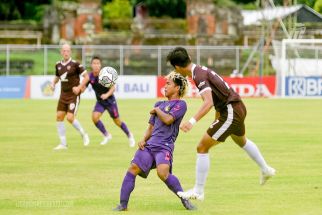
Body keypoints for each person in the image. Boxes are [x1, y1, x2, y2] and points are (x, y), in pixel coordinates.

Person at [166, 47, 276, 201]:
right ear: (189, 57)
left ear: (177, 67)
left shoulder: (198, 75)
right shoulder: (200, 70)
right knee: (241, 141)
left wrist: (191, 121)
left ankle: (198, 191)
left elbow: (209, 102)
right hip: (236, 108)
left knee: (202, 147)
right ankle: (266, 170)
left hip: (231, 111)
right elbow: (218, 100)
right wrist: (216, 121)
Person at [113, 71, 196, 211]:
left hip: (165, 146)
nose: (165, 86)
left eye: (168, 84)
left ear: (177, 88)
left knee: (163, 172)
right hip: (150, 145)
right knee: (133, 168)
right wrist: (143, 139)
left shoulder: (181, 104)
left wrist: (157, 110)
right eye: (165, 83)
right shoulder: (159, 103)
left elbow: (169, 120)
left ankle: (185, 200)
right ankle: (122, 205)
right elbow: (151, 127)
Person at [85, 56, 135, 147]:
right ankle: (107, 135)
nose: (96, 65)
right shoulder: (90, 76)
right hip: (100, 102)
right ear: (91, 65)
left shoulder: (105, 74)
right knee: (94, 117)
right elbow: (83, 86)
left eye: (97, 63)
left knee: (117, 121)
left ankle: (129, 135)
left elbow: (113, 88)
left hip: (110, 102)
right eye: (94, 63)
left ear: (100, 65)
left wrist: (106, 95)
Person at [51, 43, 90, 150]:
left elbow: (86, 77)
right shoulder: (58, 65)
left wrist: (79, 87)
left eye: (67, 51)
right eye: (64, 51)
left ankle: (84, 134)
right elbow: (57, 76)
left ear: (70, 52)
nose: (66, 53)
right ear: (61, 52)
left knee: (70, 118)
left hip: (73, 96)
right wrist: (53, 84)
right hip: (63, 96)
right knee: (59, 116)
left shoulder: (76, 64)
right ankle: (63, 144)